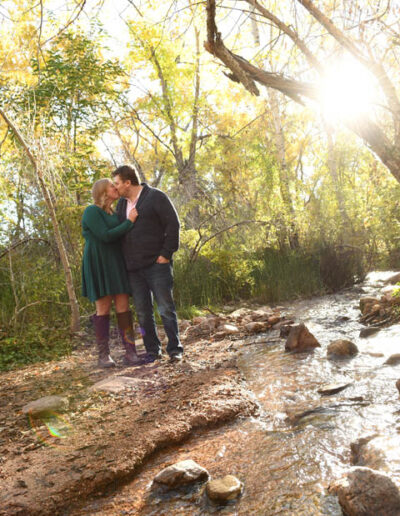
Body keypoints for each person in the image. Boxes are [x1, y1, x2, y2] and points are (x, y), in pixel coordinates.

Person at [113, 165, 184, 363]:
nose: (115, 187)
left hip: (157, 264)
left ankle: (175, 349)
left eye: (117, 183)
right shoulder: (121, 205)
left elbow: (173, 224)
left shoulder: (155, 197)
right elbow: (120, 231)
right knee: (143, 313)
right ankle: (153, 351)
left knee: (165, 309)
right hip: (134, 270)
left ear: (128, 182)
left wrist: (166, 254)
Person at [81, 178, 141, 368]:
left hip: (116, 261)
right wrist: (130, 222)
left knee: (123, 306)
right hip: (98, 262)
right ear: (103, 191)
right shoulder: (91, 211)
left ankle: (130, 352)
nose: (116, 188)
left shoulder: (114, 212)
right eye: (112, 186)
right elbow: (105, 236)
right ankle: (103, 355)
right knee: (103, 308)